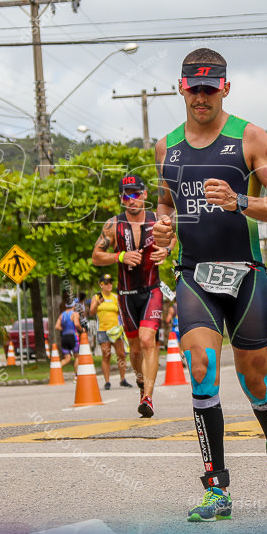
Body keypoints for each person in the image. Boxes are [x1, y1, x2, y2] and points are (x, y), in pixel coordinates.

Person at [153, 47, 267, 521]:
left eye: (209, 88)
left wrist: (240, 202)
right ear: (180, 88)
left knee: (253, 379)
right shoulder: (166, 147)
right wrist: (163, 229)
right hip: (193, 274)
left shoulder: (249, 138)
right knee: (200, 368)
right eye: (193, 88)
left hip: (246, 273)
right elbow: (166, 205)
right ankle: (217, 489)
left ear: (225, 89)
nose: (201, 97)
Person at [92, 174, 169, 418]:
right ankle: (140, 383)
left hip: (152, 290)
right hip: (126, 294)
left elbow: (174, 238)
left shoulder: (158, 220)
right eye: (126, 195)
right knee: (134, 350)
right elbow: (96, 256)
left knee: (148, 341)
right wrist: (120, 257)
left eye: (136, 194)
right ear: (121, 198)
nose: (131, 199)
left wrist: (166, 250)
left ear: (145, 195)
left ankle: (148, 396)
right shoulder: (113, 225)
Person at [90, 274, 131, 390]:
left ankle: (123, 379)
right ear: (101, 284)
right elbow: (91, 313)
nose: (109, 285)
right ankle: (107, 381)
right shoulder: (97, 297)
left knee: (121, 355)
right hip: (103, 330)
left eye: (110, 282)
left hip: (115, 331)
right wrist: (98, 303)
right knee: (106, 355)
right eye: (106, 283)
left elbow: (121, 312)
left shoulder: (115, 297)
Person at [56, 300, 80, 370]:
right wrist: (81, 329)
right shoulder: (75, 314)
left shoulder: (62, 315)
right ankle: (76, 376)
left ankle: (55, 370)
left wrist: (64, 329)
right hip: (73, 337)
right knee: (77, 357)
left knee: (67, 358)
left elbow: (57, 326)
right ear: (74, 306)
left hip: (64, 337)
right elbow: (76, 324)